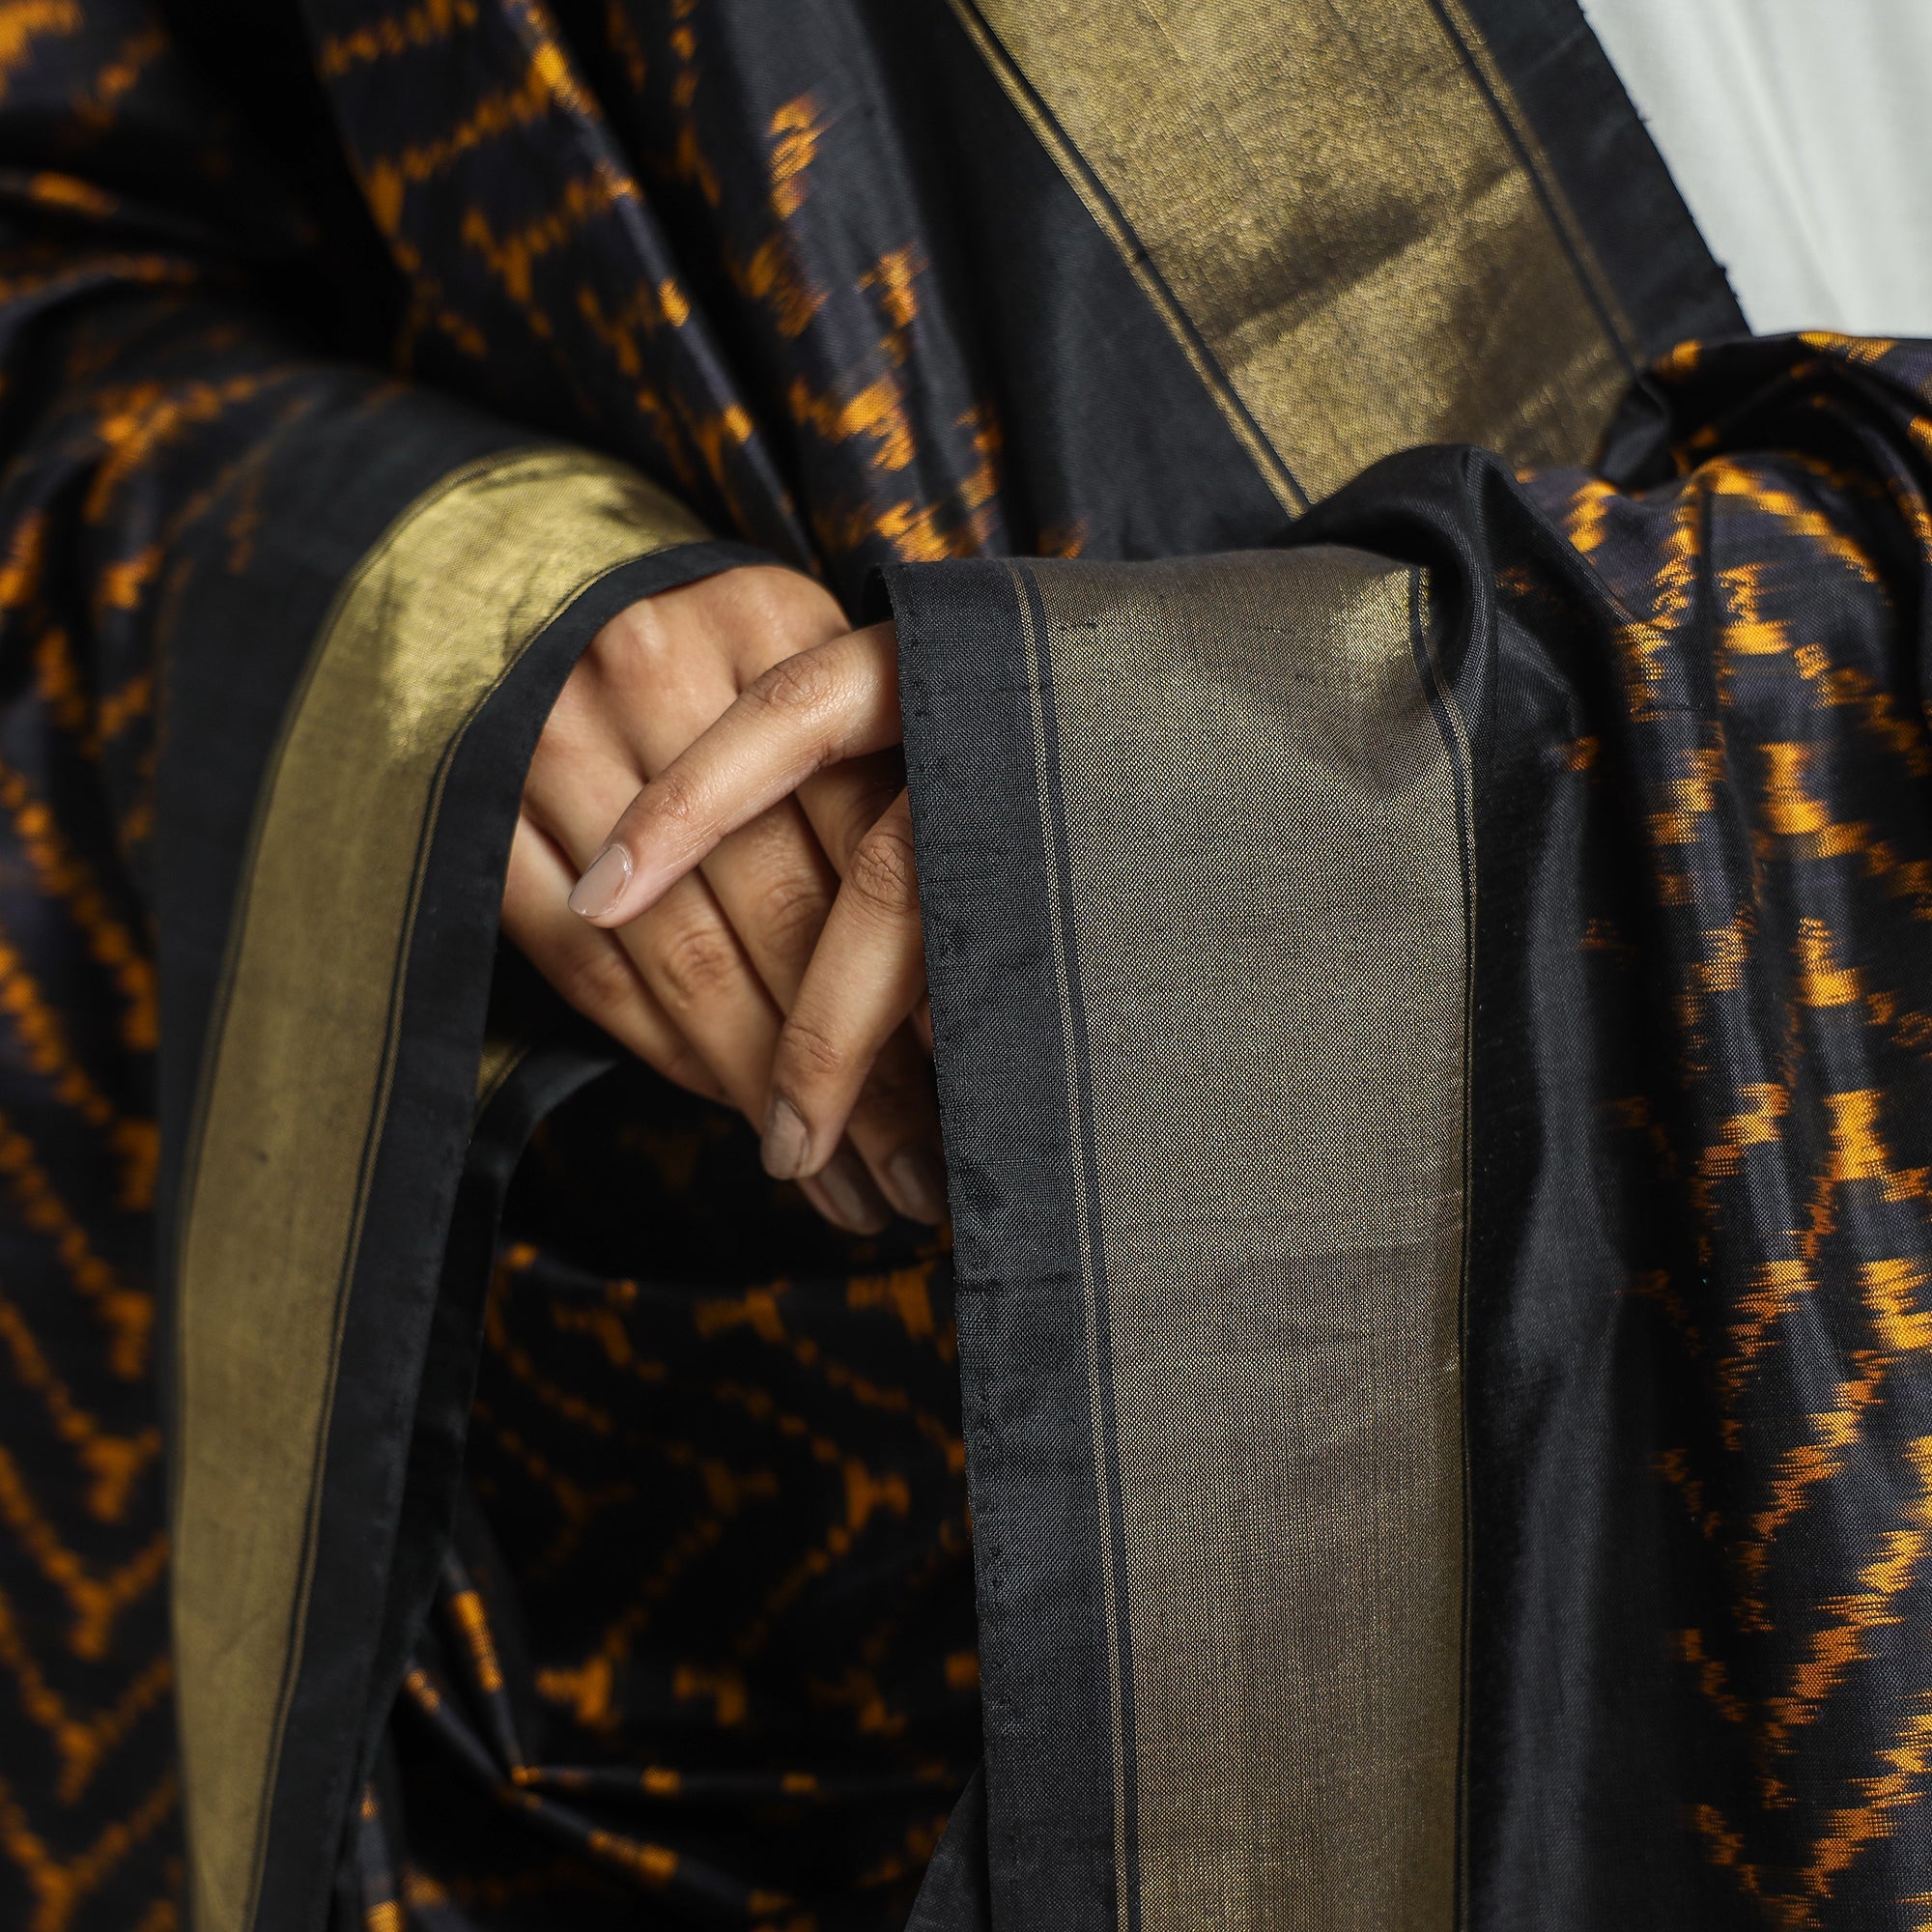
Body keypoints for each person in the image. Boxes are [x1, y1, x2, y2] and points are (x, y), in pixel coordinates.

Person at [0, 2, 1928, 1929]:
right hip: (756, 1545)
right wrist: (475, 603)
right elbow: (66, 276)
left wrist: (1214, 758)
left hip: (1677, 1419)